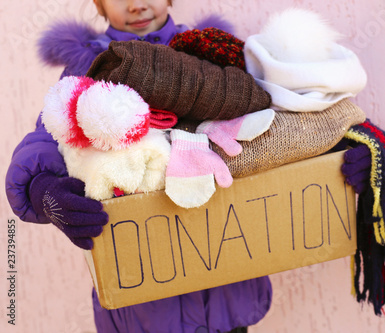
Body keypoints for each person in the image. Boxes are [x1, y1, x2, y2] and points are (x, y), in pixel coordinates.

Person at [5, 1, 271, 332]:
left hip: (224, 286)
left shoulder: (208, 50)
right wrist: (42, 188)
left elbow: (279, 120)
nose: (137, 4)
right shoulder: (90, 67)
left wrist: (349, 143)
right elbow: (46, 140)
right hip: (143, 304)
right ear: (98, 4)